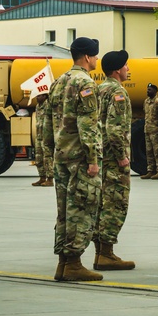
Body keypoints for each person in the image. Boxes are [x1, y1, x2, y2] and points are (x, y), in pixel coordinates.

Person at [43, 36, 103, 282]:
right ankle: (74, 262)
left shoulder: (59, 81)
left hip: (61, 156)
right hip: (79, 157)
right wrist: (93, 159)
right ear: (88, 57)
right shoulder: (84, 82)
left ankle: (63, 262)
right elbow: (87, 124)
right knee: (81, 208)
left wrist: (50, 150)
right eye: (96, 55)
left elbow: (46, 121)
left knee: (64, 211)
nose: (97, 59)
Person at [93, 50, 135, 271]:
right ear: (118, 70)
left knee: (102, 203)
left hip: (100, 157)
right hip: (112, 158)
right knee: (116, 203)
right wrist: (122, 157)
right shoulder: (118, 92)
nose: (129, 69)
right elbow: (114, 128)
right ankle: (106, 253)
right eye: (126, 66)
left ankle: (101, 252)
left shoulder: (99, 89)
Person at [142, 83, 158, 179]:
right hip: (148, 130)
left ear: (155, 91)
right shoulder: (146, 101)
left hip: (156, 130)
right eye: (147, 89)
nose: (148, 91)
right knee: (149, 151)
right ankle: (150, 170)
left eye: (150, 90)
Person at [32, 92, 54, 187]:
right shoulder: (38, 106)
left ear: (45, 96)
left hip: (46, 136)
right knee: (38, 157)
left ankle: (50, 179)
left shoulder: (48, 105)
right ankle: (42, 177)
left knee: (47, 157)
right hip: (39, 136)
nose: (37, 97)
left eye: (39, 95)